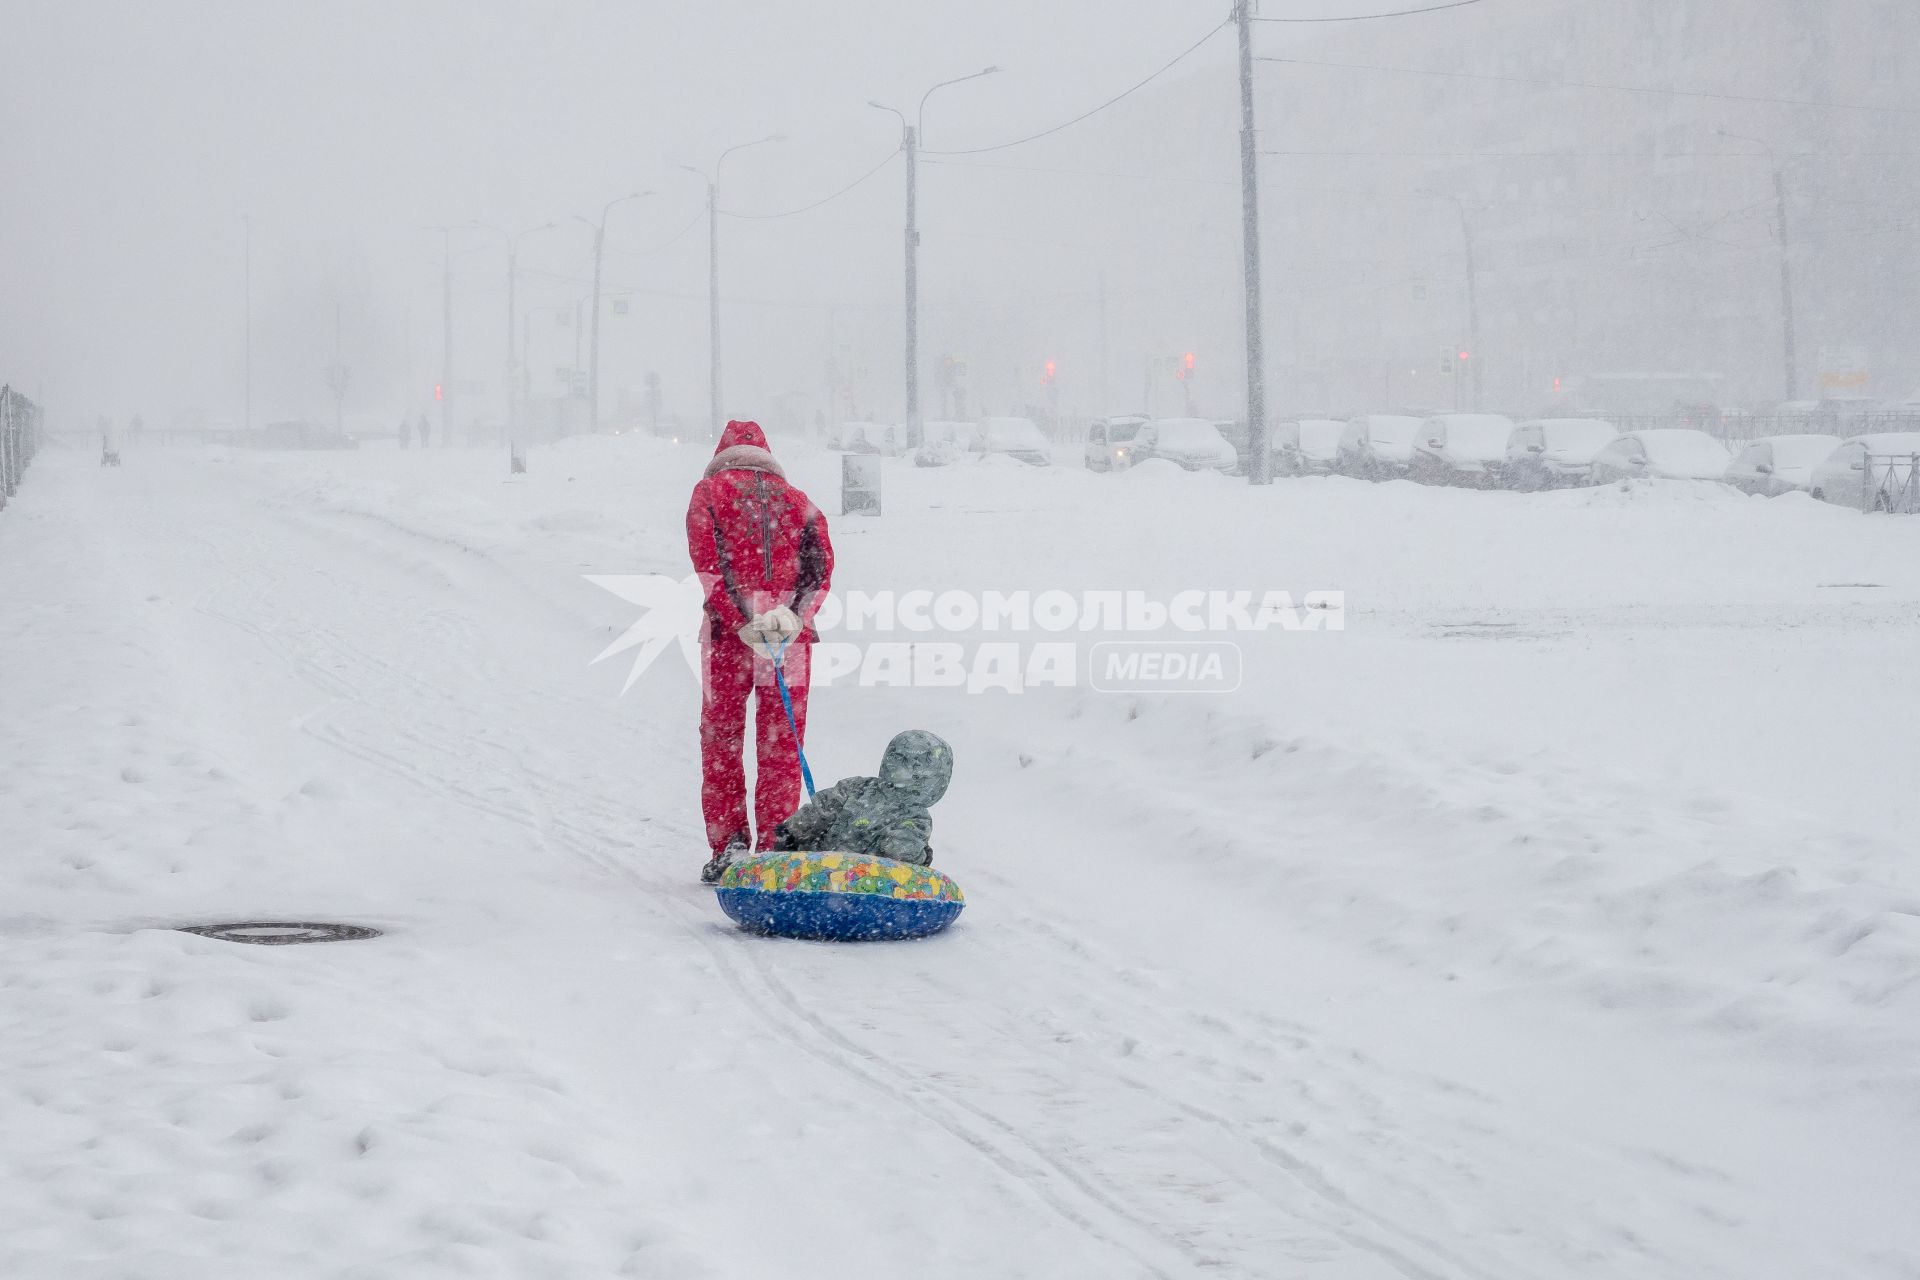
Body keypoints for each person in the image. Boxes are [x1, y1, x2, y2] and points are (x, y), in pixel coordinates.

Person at [687, 419, 833, 883]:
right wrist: (794, 616)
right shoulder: (800, 502)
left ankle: (729, 845)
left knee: (723, 742)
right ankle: (774, 846)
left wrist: (740, 620)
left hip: (729, 643)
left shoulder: (709, 494)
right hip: (790, 645)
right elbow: (821, 566)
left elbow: (709, 568)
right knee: (782, 746)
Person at [773, 731, 952, 866]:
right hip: (863, 883)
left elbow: (820, 810)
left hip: (819, 868)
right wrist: (922, 858)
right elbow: (900, 854)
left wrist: (792, 832)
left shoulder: (858, 788)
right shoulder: (914, 816)